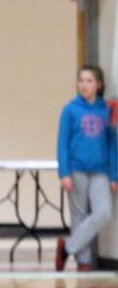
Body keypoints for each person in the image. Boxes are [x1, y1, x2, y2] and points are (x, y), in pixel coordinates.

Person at [55, 65, 116, 272]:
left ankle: (67, 247)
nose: (84, 85)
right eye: (81, 80)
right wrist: (64, 172)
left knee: (104, 212)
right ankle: (84, 261)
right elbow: (62, 143)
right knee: (78, 215)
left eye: (89, 81)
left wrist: (113, 175)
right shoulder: (70, 109)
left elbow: (111, 144)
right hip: (76, 169)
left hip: (100, 171)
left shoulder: (106, 110)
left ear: (98, 84)